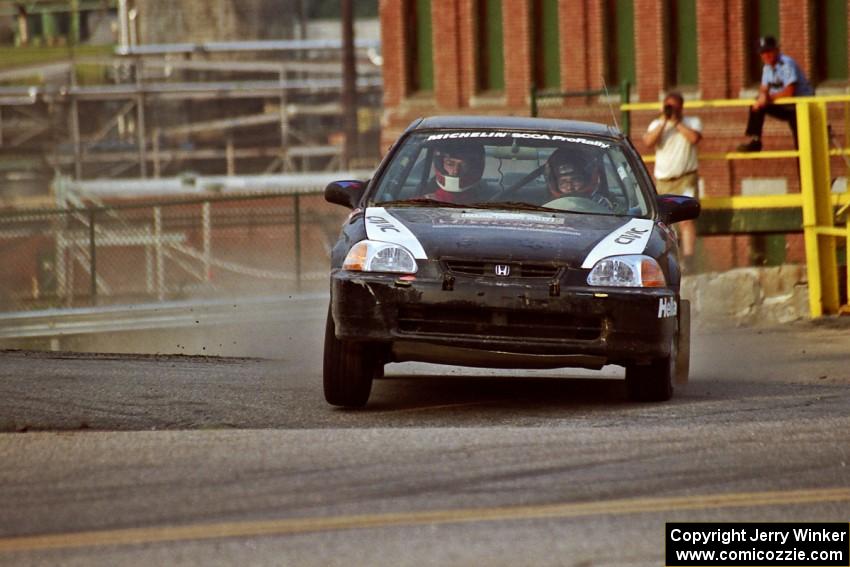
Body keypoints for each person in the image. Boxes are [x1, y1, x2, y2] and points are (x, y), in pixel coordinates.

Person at [642, 91, 702, 269]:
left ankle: (689, 260)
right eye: (668, 106)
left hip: (685, 177)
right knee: (663, 221)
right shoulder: (657, 124)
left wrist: (676, 122)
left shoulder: (691, 122)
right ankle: (666, 260)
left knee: (686, 220)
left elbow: (694, 138)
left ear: (681, 107)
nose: (671, 110)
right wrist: (664, 122)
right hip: (664, 179)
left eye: (674, 107)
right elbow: (648, 142)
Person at [737, 35, 814, 152]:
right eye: (762, 53)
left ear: (776, 49)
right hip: (788, 107)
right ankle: (755, 141)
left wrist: (768, 98)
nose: (766, 55)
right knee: (757, 104)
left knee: (802, 148)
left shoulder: (786, 63)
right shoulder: (767, 67)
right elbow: (764, 88)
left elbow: (790, 91)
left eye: (768, 51)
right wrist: (762, 96)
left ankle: (803, 169)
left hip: (802, 107)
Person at [543, 147, 614, 210]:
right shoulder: (549, 205)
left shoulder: (601, 204)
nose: (569, 187)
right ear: (555, 184)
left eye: (575, 180)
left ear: (586, 180)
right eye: (563, 182)